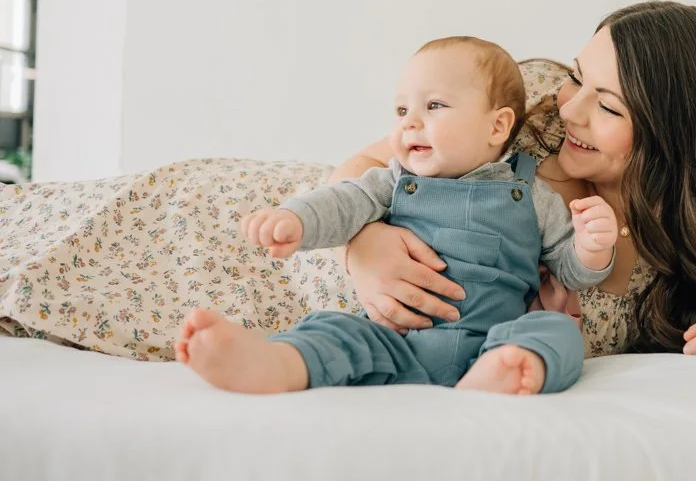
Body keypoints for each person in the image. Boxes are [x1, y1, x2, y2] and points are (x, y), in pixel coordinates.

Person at [332, 1, 696, 364]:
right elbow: (362, 165)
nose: (572, 110)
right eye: (578, 77)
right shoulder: (527, 111)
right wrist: (363, 246)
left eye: (607, 105)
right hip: (302, 234)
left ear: (672, 140)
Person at [174, 36, 620, 394]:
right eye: (402, 109)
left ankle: (509, 370)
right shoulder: (393, 179)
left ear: (497, 126)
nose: (409, 122)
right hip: (396, 341)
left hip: (494, 338)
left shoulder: (531, 192)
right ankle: (276, 362)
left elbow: (570, 269)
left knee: (555, 332)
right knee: (334, 331)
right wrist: (297, 220)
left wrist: (591, 248)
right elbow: (343, 202)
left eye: (434, 106)